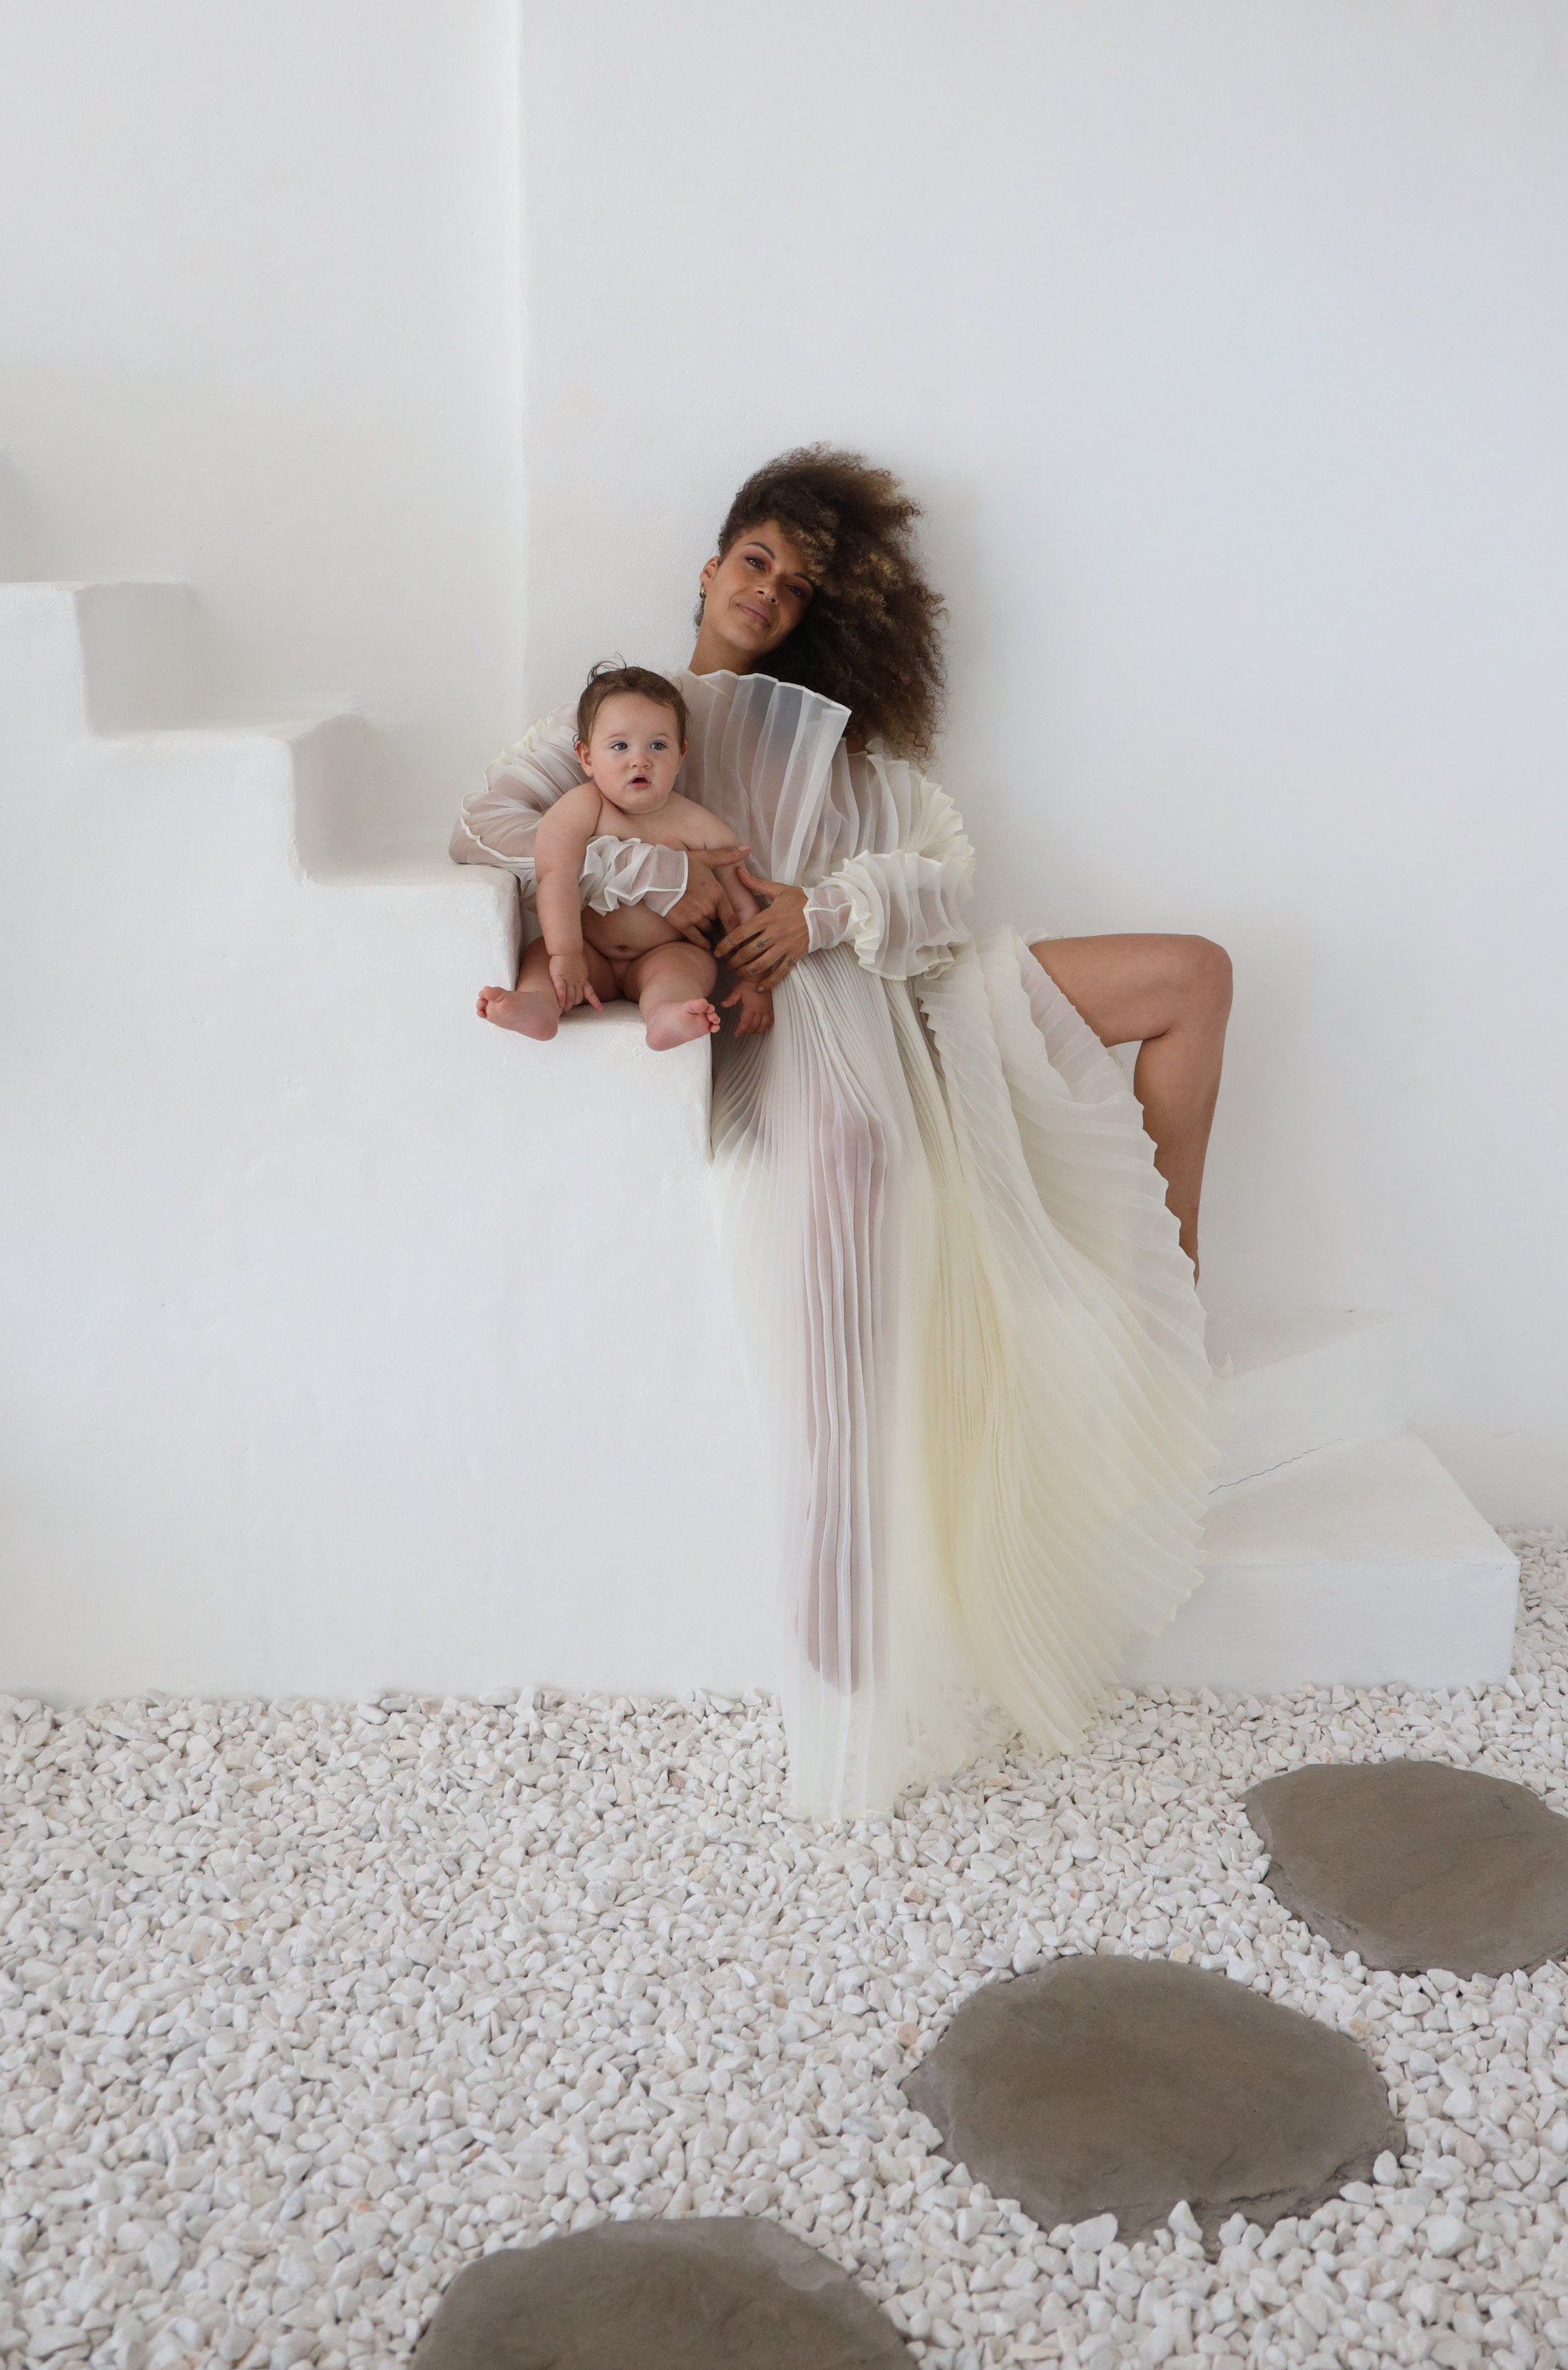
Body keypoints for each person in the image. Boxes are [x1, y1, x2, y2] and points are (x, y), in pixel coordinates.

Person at [451, 447, 1229, 1817]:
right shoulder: (610, 732)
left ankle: (1158, 1284)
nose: (768, 589)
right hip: (795, 1033)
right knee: (863, 1195)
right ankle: (846, 1633)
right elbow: (497, 842)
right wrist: (670, 877)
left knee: (1192, 975)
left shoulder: (837, 754)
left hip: (920, 991)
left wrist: (824, 908)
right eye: (753, 559)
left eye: (796, 583)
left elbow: (941, 879)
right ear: (707, 566)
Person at [476, 662, 774, 1047]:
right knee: (540, 956)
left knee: (688, 967)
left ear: (681, 754)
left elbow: (744, 912)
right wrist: (565, 954)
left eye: (658, 745)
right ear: (585, 756)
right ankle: (539, 1005)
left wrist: (755, 982)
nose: (640, 759)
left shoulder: (701, 827)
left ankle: (667, 1013)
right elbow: (556, 877)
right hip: (588, 953)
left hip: (661, 953)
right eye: (619, 746)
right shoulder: (580, 809)